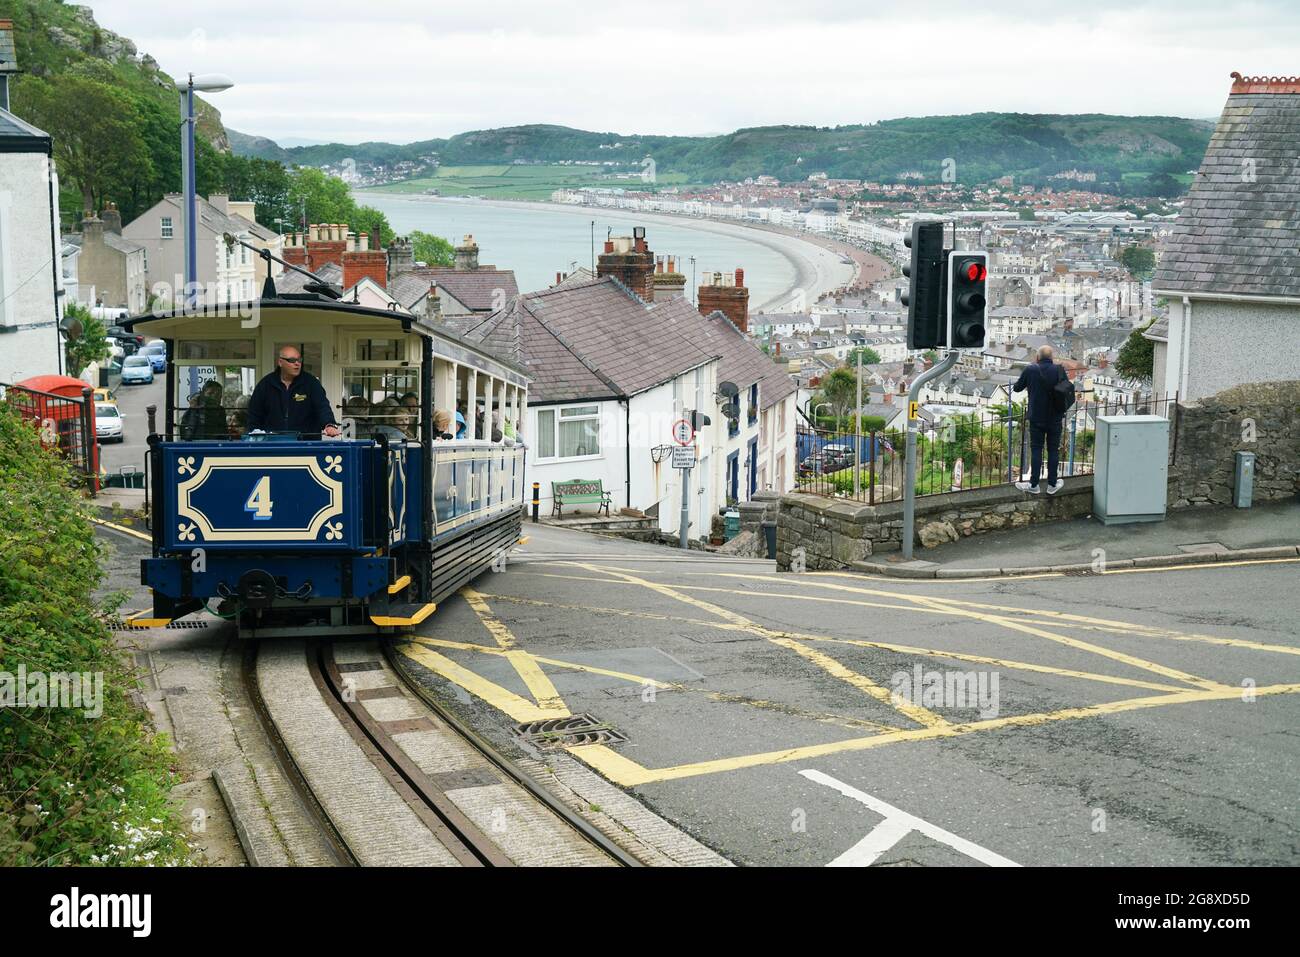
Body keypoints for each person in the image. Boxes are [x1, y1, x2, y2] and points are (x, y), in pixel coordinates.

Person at [246, 346, 340, 438]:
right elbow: (254, 414)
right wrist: (254, 434)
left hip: (306, 442)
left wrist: (329, 424)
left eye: (299, 360)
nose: (297, 363)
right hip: (273, 442)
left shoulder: (311, 383)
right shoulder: (265, 384)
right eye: (292, 360)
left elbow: (322, 407)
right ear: (280, 362)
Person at [1013, 345, 1066, 495]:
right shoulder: (1059, 370)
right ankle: (1052, 484)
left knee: (1036, 449)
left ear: (1037, 357)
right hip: (1055, 417)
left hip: (1036, 417)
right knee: (1053, 450)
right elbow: (1066, 389)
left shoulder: (1030, 370)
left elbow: (1017, 388)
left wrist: (1030, 384)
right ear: (1052, 358)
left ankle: (1034, 485)